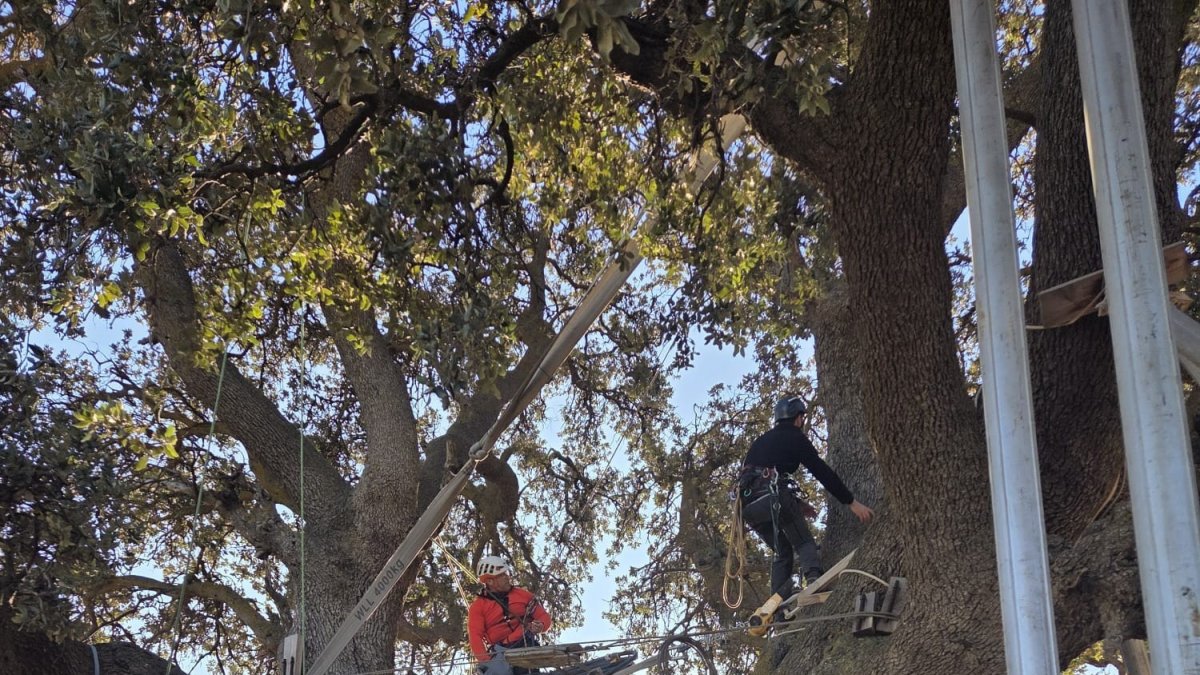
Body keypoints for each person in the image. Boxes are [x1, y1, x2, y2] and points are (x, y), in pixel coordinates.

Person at [739, 396, 874, 599]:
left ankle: (777, 604)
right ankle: (813, 579)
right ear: (798, 418)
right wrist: (851, 502)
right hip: (774, 499)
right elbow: (821, 471)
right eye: (802, 418)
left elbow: (760, 479)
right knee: (803, 542)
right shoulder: (794, 437)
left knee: (782, 552)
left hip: (747, 507)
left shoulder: (761, 442)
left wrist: (798, 504)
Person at [467, 556, 552, 675]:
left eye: (506, 573)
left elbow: (544, 616)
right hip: (501, 654)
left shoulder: (523, 595)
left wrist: (541, 625)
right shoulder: (478, 607)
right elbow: (476, 637)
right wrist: (487, 662)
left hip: (525, 645)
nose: (507, 577)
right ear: (490, 581)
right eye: (502, 575)